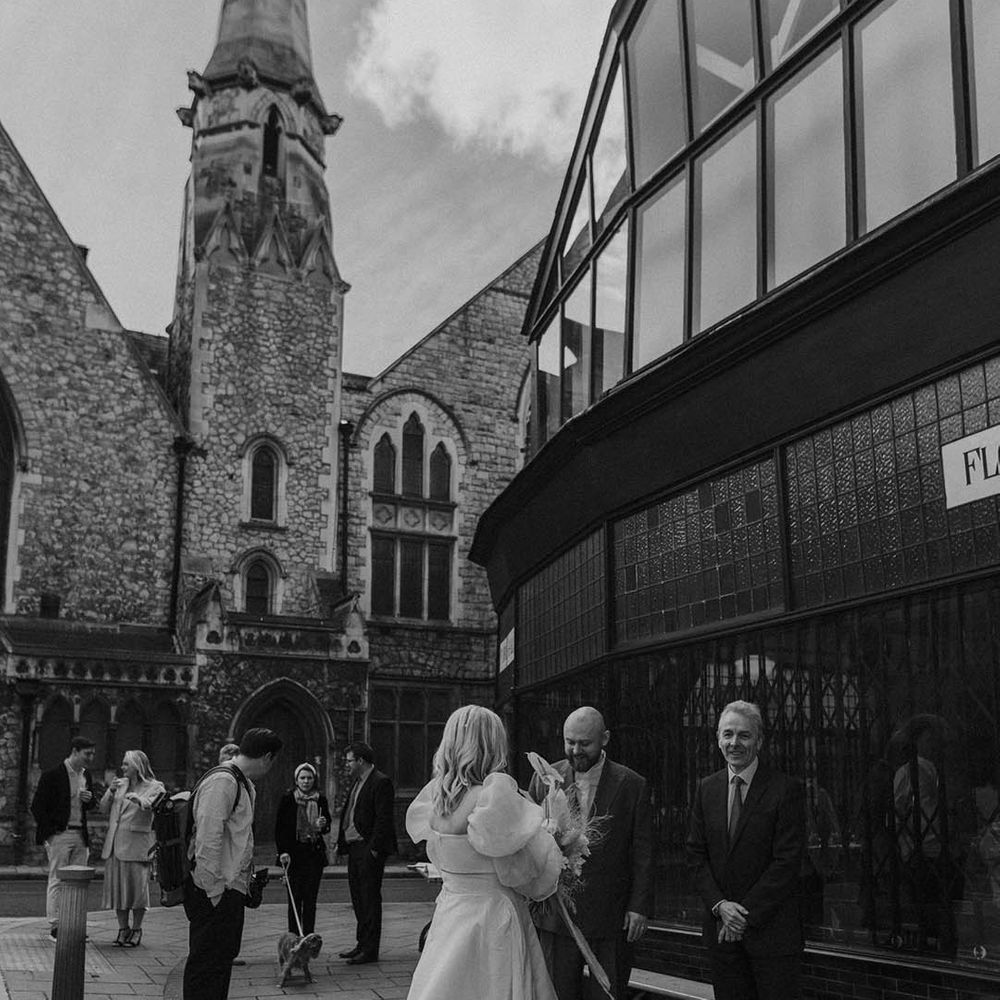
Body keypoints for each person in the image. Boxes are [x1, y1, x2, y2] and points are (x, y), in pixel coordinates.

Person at [406, 704, 562, 1000]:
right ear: (492, 745)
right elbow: (520, 873)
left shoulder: (436, 799)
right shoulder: (490, 797)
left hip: (451, 914)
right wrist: (551, 848)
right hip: (493, 919)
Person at [528, 706, 653, 1000]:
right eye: (569, 741)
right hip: (557, 918)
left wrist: (639, 906)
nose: (575, 750)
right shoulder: (545, 778)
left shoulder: (632, 784)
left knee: (609, 994)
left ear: (605, 738)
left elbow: (643, 852)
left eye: (585, 743)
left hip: (611, 916)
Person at [686, 700, 805, 1000]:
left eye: (744, 735)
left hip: (772, 937)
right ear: (717, 739)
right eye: (727, 735)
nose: (734, 743)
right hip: (721, 937)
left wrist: (743, 916)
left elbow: (787, 862)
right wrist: (720, 907)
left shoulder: (785, 790)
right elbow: (696, 856)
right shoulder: (706, 789)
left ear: (760, 741)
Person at [182, 727, 283, 1000]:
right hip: (215, 890)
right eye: (273, 762)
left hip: (230, 889)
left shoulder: (243, 783)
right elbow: (207, 838)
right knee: (205, 965)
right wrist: (213, 892)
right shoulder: (223, 782)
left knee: (220, 963)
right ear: (267, 757)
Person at [335, 741, 398, 963]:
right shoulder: (358, 782)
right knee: (358, 898)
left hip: (368, 849)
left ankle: (370, 950)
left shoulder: (381, 782)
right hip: (355, 848)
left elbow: (383, 819)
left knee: (370, 899)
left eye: (349, 760)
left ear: (360, 761)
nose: (347, 764)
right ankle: (361, 944)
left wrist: (374, 850)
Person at [30, 736, 98, 940]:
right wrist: (52, 831)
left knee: (78, 883)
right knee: (58, 880)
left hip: (80, 834)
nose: (91, 758)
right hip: (60, 834)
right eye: (88, 753)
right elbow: (37, 807)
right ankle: (56, 926)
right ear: (75, 751)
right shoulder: (53, 775)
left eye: (93, 753)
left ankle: (74, 924)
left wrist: (90, 800)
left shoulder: (87, 776)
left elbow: (89, 806)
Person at [99, 749, 165, 946]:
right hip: (115, 844)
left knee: (137, 892)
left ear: (137, 766)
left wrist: (140, 800)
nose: (122, 767)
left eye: (126, 764)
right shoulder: (120, 784)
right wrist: (110, 791)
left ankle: (136, 929)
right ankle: (122, 929)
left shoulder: (155, 786)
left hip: (137, 845)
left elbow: (157, 804)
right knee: (118, 891)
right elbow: (103, 809)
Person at [275, 762, 332, 935]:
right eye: (302, 778)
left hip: (313, 855)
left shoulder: (320, 799)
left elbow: (326, 825)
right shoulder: (288, 798)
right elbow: (280, 828)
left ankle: (308, 936)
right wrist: (283, 851)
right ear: (296, 780)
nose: (306, 781)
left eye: (309, 778)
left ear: (314, 780)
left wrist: (323, 824)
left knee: (310, 900)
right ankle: (294, 935)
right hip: (294, 855)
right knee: (294, 900)